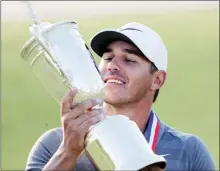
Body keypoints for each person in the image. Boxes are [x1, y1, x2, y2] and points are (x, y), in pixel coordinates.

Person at [25, 22, 216, 171]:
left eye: (129, 60)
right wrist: (67, 153)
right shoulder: (54, 145)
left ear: (157, 80)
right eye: (107, 58)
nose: (112, 66)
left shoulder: (189, 151)